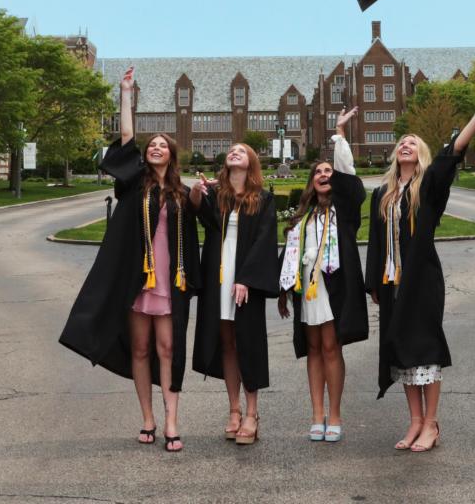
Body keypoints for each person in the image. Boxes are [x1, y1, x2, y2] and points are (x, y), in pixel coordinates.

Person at [59, 68, 203, 452]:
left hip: (171, 284)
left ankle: (172, 419)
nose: (155, 147)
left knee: (168, 350)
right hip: (138, 283)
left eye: (162, 144)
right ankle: (148, 418)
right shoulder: (133, 185)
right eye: (151, 144)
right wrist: (125, 95)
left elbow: (206, 217)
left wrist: (202, 195)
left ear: (172, 154)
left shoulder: (182, 193)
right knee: (139, 350)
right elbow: (125, 140)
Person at [367, 88, 475, 452]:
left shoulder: (429, 186)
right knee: (399, 350)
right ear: (395, 154)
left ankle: (431, 423)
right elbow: (376, 241)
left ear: (421, 154)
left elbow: (452, 153)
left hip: (422, 280)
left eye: (413, 142)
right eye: (402, 142)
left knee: (423, 348)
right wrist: (373, 282)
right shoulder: (383, 194)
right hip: (392, 283)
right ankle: (413, 422)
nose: (406, 144)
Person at [276, 106, 367, 444]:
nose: (325, 174)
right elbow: (290, 255)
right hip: (308, 291)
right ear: (312, 181)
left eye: (330, 170)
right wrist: (284, 290)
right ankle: (316, 415)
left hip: (334, 287)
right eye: (319, 171)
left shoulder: (345, 210)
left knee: (331, 347)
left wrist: (340, 134)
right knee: (313, 348)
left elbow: (349, 176)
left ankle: (336, 415)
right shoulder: (303, 216)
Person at [188, 143, 279, 445]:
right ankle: (234, 411)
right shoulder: (218, 197)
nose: (235, 152)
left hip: (244, 281)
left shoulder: (263, 200)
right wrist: (198, 192)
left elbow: (265, 240)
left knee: (246, 343)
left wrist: (247, 279)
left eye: (242, 150)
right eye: (231, 151)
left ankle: (252, 413)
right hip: (219, 277)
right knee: (226, 341)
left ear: (251, 162)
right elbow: (199, 214)